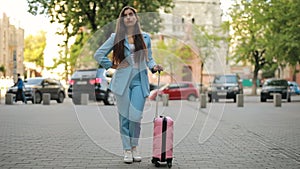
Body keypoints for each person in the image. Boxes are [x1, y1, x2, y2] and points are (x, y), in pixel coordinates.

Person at [94, 6, 163, 164]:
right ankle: (126, 149)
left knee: (136, 116)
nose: (129, 17)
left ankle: (134, 146)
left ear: (136, 18)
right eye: (125, 15)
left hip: (140, 81)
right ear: (123, 20)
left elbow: (149, 59)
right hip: (122, 83)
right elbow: (98, 54)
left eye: (131, 14)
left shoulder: (145, 37)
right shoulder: (116, 37)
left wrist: (154, 67)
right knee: (124, 118)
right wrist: (113, 65)